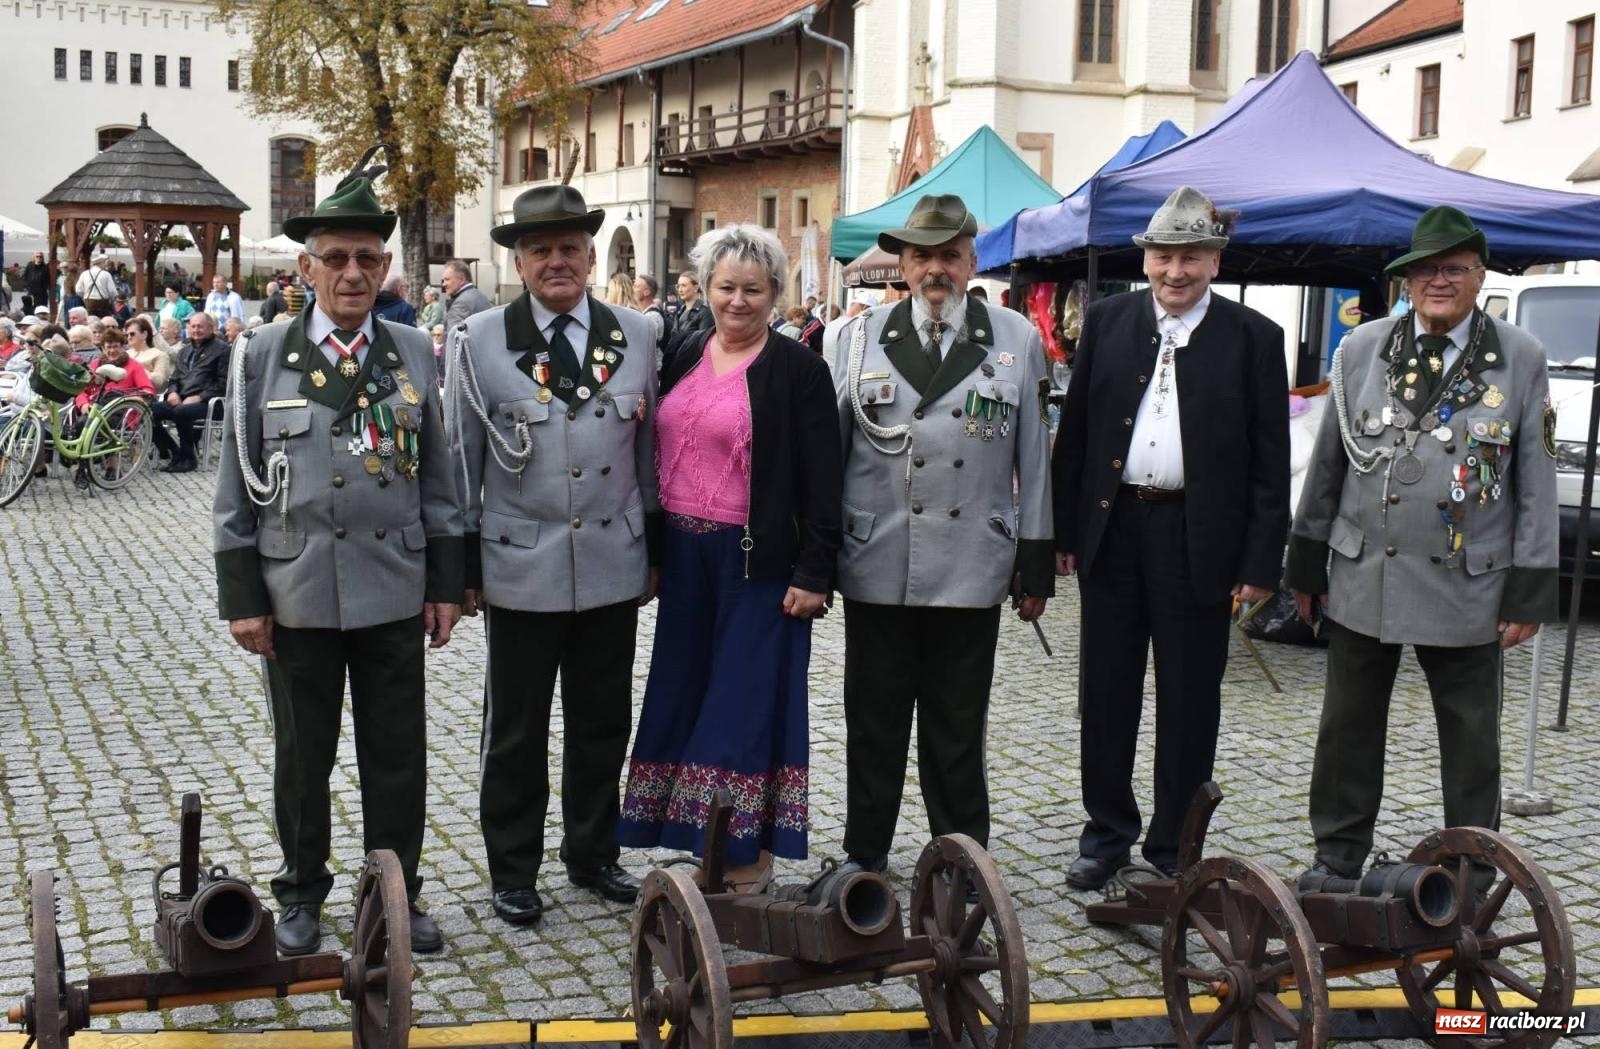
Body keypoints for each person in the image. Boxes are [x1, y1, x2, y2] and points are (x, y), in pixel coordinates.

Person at [213, 164, 463, 958]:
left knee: (397, 756)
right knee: (302, 757)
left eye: (367, 258)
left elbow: (439, 475)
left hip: (393, 586)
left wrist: (446, 584)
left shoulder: (413, 349)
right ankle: (300, 891)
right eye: (336, 258)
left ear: (385, 267)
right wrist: (243, 596)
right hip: (296, 591)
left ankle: (396, 892)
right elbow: (235, 486)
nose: (353, 272)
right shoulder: (262, 354)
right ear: (306, 267)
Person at [1285, 206, 1558, 886]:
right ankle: (1337, 856)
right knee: (1347, 727)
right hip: (1364, 571)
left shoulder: (1519, 356)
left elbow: (1535, 481)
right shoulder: (1361, 348)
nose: (1440, 281)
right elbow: (1328, 465)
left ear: (1480, 275)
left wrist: (1529, 589)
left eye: (1455, 268)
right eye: (1426, 269)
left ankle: (1472, 868)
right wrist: (1306, 562)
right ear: (1406, 280)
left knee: (1471, 737)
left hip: (1468, 578)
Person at [1052, 186, 1289, 890]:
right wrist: (1064, 531)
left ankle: (1173, 846)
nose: (1174, 271)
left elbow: (1270, 461)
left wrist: (1260, 560)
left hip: (1199, 534)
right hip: (1116, 526)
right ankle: (1106, 834)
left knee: (1189, 699)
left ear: (1215, 261)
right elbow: (1076, 436)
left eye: (1190, 256)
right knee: (1107, 691)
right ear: (1145, 260)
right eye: (1162, 256)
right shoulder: (1108, 319)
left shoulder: (1255, 337)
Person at [447, 184, 659, 927]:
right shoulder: (479, 340)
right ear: (519, 262)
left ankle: (593, 851)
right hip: (519, 564)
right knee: (516, 728)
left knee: (603, 721)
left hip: (611, 560)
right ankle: (513, 868)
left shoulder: (637, 333)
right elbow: (460, 460)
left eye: (570, 247)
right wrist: (464, 569)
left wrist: (654, 550)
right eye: (541, 250)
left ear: (592, 256)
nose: (557, 261)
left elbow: (648, 452)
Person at [832, 193, 1053, 875]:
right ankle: (865, 853)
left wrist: (1035, 559)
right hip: (879, 555)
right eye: (922, 256)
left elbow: (1034, 456)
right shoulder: (856, 338)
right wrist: (815, 558)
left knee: (958, 725)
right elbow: (829, 452)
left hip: (971, 559)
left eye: (950, 256)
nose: (936, 270)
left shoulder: (1016, 337)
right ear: (901, 264)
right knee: (874, 719)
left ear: (971, 261)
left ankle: (960, 859)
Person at [618, 224, 842, 892]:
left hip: (757, 562)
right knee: (685, 692)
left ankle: (745, 852)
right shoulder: (686, 349)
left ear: (774, 293)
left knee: (743, 705)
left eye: (753, 289)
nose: (738, 301)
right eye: (725, 287)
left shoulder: (799, 369)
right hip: (686, 557)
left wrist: (815, 571)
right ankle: (699, 840)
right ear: (706, 288)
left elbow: (824, 480)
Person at [151, 311, 229, 472]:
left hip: (210, 403)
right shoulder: (184, 351)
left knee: (182, 412)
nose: (196, 330)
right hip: (181, 400)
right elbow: (174, 378)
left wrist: (199, 397)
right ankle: (174, 451)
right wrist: (173, 392)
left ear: (211, 328)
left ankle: (188, 459)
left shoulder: (223, 350)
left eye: (200, 326)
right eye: (193, 326)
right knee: (148, 411)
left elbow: (224, 383)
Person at [662, 271, 712, 374]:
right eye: (678, 286)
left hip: (692, 368)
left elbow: (704, 346)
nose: (680, 290)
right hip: (675, 365)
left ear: (695, 288)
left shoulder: (705, 312)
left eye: (684, 285)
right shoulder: (680, 311)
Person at [124, 315, 173, 390]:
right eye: (127, 335)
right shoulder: (124, 354)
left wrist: (137, 368)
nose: (129, 337)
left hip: (147, 394)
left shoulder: (159, 355)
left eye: (132, 334)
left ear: (144, 334)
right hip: (121, 393)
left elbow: (160, 382)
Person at [441, 259, 491, 331]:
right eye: (443, 280)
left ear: (462, 279)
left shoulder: (461, 303)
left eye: (447, 279)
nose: (444, 284)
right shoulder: (481, 295)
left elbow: (454, 335)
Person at [76, 253, 119, 317]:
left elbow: (78, 290)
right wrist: (111, 300)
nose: (104, 265)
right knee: (103, 321)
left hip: (89, 301)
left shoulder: (84, 274)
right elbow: (112, 291)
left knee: (90, 320)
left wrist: (85, 296)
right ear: (100, 263)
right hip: (103, 302)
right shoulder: (106, 274)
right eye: (104, 262)